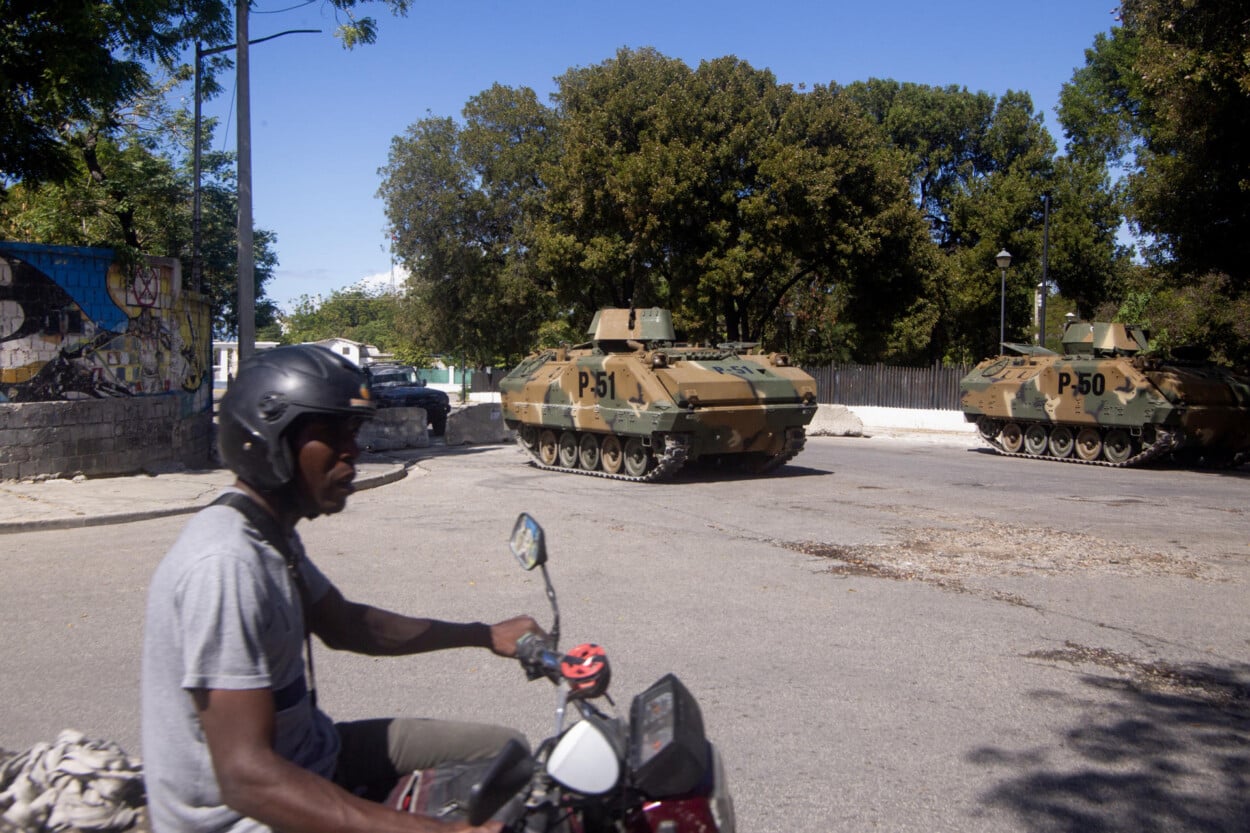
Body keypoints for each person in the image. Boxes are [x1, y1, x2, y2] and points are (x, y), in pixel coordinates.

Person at [142, 344, 540, 832]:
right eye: (332, 434)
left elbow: (350, 625)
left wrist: (484, 634)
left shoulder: (267, 533)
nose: (353, 451)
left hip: (314, 753)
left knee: (505, 751)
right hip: (240, 818)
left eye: (352, 432)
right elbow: (248, 779)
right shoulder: (226, 565)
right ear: (268, 441)